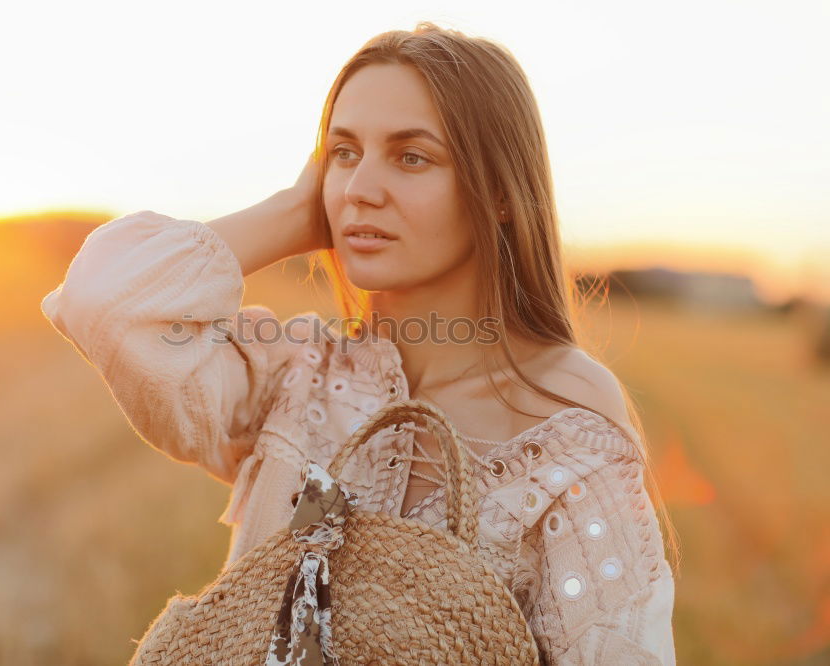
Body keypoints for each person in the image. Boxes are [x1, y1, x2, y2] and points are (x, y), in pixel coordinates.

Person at [41, 22, 679, 665]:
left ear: (500, 193)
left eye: (411, 156)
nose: (359, 191)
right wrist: (294, 211)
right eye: (344, 153)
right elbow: (104, 300)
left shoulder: (563, 418)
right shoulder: (295, 376)